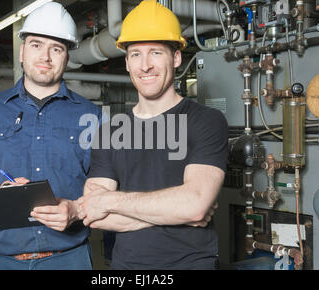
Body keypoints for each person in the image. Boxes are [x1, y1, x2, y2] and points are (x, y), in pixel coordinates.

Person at [0, 2, 100, 270]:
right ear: (22, 51)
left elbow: (105, 186)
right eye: (37, 45)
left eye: (56, 48)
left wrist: (76, 209)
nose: (46, 56)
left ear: (67, 57)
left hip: (69, 259)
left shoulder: (92, 117)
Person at [77, 0, 228, 270]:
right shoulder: (109, 131)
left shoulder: (206, 121)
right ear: (126, 62)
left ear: (177, 57)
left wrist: (111, 201)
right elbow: (93, 214)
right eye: (135, 54)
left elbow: (194, 207)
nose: (145, 65)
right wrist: (177, 211)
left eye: (156, 52)